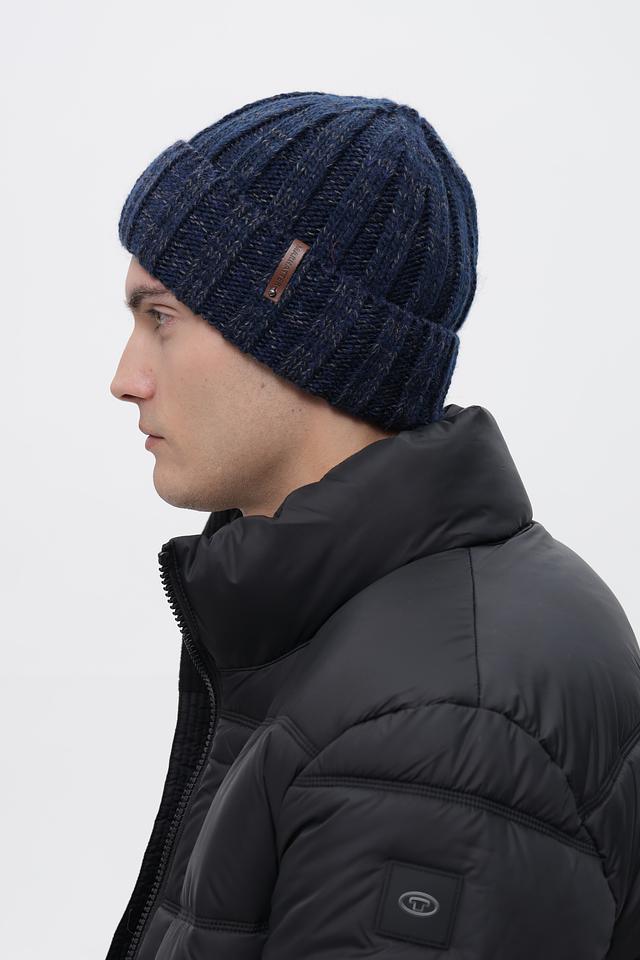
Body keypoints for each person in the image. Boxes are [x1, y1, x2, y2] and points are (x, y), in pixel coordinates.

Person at [106, 90, 640, 959]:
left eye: (160, 316)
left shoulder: (435, 731)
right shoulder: (384, 626)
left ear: (301, 327)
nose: (125, 378)